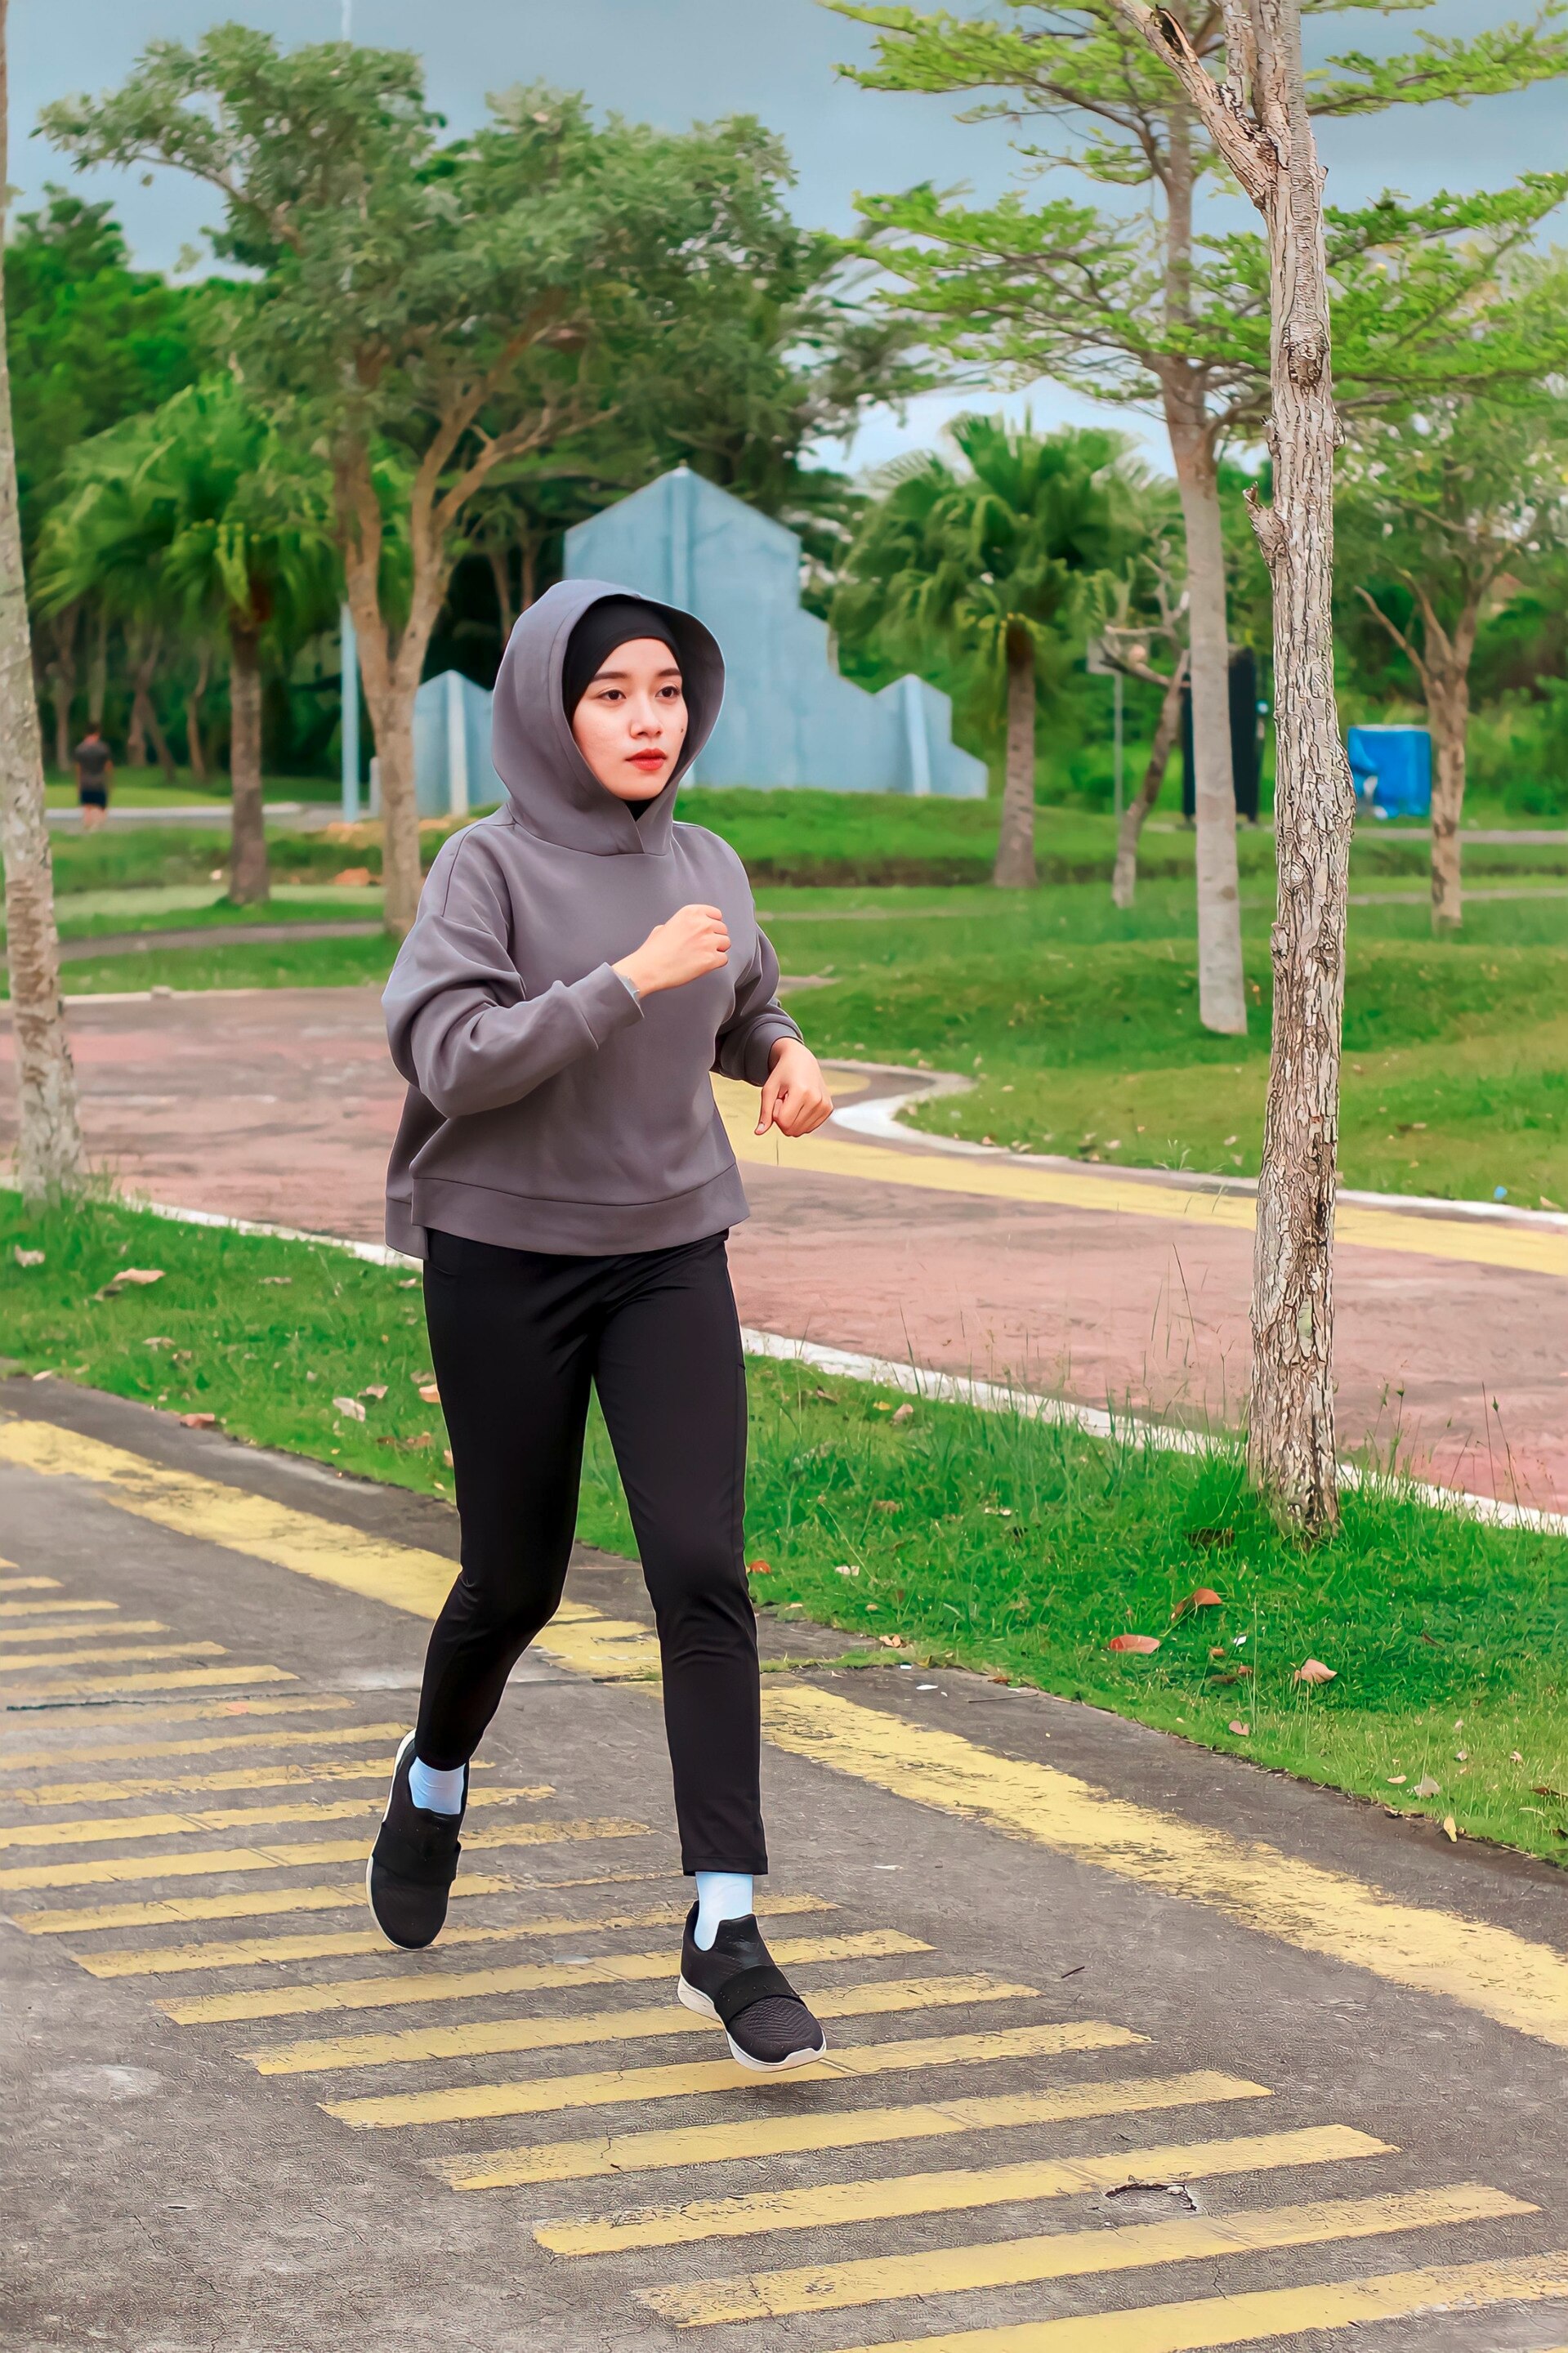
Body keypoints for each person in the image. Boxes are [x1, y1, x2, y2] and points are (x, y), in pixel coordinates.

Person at [369, 580, 836, 2073]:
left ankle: (723, 1919)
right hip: (501, 1256)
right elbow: (449, 1056)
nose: (648, 721)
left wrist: (782, 1050)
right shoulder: (483, 871)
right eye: (610, 694)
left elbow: (734, 1002)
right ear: (547, 712)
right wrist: (619, 981)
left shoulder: (706, 859)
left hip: (666, 1250)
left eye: (665, 690)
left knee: (700, 1570)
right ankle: (434, 1775)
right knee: (512, 1583)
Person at [74, 726, 113, 832]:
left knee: (87, 807)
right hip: (99, 782)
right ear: (97, 734)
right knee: (101, 807)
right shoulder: (103, 748)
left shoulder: (80, 749)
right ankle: (97, 828)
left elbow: (78, 769)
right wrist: (110, 782)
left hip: (85, 782)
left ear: (86, 734)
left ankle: (88, 829)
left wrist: (78, 784)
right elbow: (108, 766)